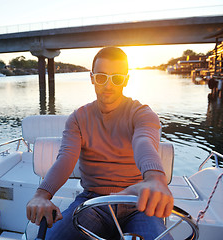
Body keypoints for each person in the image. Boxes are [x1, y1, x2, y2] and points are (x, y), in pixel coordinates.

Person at [26, 47, 174, 240]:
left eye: (117, 78)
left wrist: (155, 179)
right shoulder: (78, 118)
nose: (109, 85)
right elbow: (66, 159)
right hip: (93, 201)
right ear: (92, 78)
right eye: (102, 77)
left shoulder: (142, 114)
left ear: (126, 80)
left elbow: (144, 141)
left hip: (138, 203)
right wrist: (42, 195)